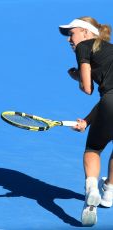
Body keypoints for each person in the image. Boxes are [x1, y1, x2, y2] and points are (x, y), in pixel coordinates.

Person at [59, 16, 113, 226]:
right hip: (109, 102)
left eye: (72, 33)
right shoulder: (109, 51)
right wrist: (88, 121)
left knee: (93, 149)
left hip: (110, 102)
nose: (69, 39)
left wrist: (77, 78)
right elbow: (106, 99)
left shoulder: (84, 47)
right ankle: (108, 192)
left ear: (86, 33)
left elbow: (88, 89)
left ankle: (91, 189)